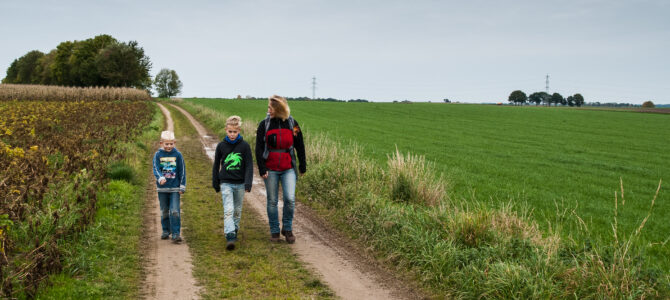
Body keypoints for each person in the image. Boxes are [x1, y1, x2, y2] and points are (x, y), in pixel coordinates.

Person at [256, 95, 306, 243]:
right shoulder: (264, 125)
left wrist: (302, 165)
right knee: (272, 201)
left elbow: (300, 145)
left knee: (290, 199)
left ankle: (288, 228)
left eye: (270, 108)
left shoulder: (293, 124)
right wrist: (262, 167)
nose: (268, 110)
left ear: (278, 109)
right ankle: (274, 231)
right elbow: (258, 148)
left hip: (288, 167)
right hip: (270, 168)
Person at [212, 116, 253, 250]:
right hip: (226, 182)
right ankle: (229, 234)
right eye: (230, 132)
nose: (232, 134)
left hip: (240, 183)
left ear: (239, 131)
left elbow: (249, 166)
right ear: (226, 130)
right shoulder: (221, 146)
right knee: (228, 209)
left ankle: (234, 229)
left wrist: (248, 183)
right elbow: (216, 164)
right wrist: (215, 181)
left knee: (237, 210)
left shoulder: (245, 146)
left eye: (235, 132)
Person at [152, 130, 187, 244]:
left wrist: (182, 185)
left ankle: (176, 233)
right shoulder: (158, 155)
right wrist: (160, 178)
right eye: (166, 144)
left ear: (174, 142)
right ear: (161, 143)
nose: (169, 146)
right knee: (164, 210)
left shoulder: (178, 155)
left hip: (175, 188)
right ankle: (166, 230)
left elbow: (182, 171)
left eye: (171, 144)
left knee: (175, 210)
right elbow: (156, 168)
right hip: (162, 188)